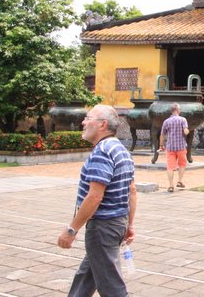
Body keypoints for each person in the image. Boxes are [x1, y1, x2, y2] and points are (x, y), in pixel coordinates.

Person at [57, 104, 137, 297]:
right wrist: (129, 224)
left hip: (103, 227)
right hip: (116, 223)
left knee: (112, 288)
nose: (83, 122)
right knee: (87, 275)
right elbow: (132, 191)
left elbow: (95, 196)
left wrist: (71, 229)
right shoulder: (121, 149)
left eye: (88, 118)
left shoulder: (102, 151)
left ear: (102, 124)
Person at [159, 103, 189, 193]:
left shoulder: (166, 121)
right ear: (178, 110)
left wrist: (161, 145)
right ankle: (179, 181)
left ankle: (171, 186)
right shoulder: (183, 120)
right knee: (182, 164)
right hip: (181, 147)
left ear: (172, 111)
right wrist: (186, 131)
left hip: (170, 147)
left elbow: (162, 134)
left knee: (170, 167)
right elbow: (186, 131)